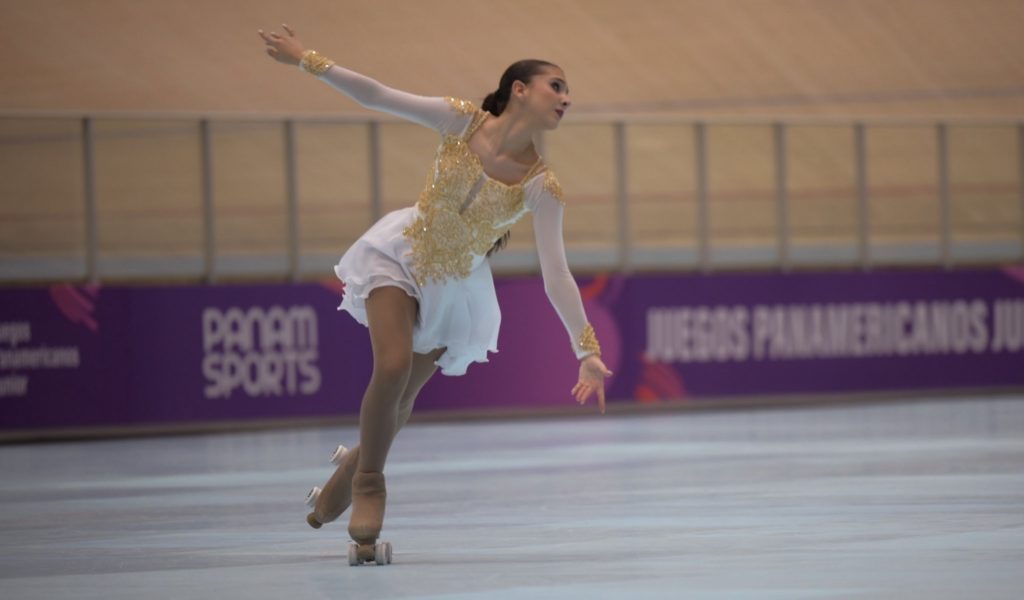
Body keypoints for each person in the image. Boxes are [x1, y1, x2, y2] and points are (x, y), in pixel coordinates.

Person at [258, 24, 613, 564]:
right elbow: (376, 94)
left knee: (399, 406)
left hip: (455, 287)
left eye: (567, 91)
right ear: (519, 88)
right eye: (555, 86)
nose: (565, 98)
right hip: (399, 254)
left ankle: (342, 477)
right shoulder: (459, 118)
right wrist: (305, 59)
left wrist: (585, 349)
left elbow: (557, 274)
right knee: (394, 368)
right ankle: (369, 484)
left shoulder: (543, 185)